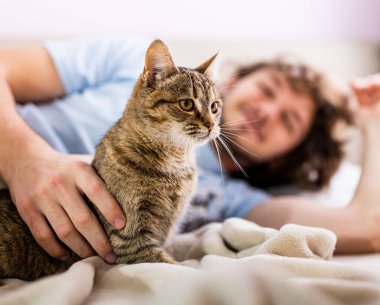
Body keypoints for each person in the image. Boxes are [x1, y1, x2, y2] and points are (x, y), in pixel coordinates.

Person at [0, 38, 379, 265]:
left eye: (289, 120)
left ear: (284, 158)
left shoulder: (236, 199)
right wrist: (23, 158)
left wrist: (371, 121)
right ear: (230, 82)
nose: (267, 111)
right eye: (268, 89)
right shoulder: (130, 57)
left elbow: (369, 228)